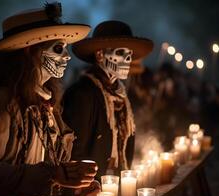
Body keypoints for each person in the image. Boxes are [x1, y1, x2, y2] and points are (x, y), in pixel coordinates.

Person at [0, 2, 99, 196]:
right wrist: (51, 175)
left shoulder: (48, 106)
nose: (66, 57)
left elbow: (50, 172)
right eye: (58, 48)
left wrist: (74, 186)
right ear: (31, 51)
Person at [62, 20, 153, 177]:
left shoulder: (120, 94)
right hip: (91, 187)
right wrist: (81, 185)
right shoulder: (82, 93)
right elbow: (74, 150)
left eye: (129, 54)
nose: (127, 60)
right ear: (99, 54)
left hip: (115, 180)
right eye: (120, 53)